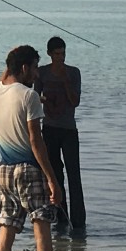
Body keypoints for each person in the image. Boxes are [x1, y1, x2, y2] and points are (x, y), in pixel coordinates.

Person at [0, 44, 63, 251]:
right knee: (42, 232)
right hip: (28, 170)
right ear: (23, 68)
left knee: (6, 233)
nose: (37, 73)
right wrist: (52, 179)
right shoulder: (29, 96)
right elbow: (36, 142)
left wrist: (10, 56)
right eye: (35, 68)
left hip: (5, 171)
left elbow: (4, 77)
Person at [33, 35, 85, 232]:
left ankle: (78, 221)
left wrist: (65, 82)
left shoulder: (73, 73)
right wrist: (44, 100)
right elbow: (35, 99)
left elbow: (75, 101)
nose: (61, 58)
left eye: (63, 54)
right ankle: (60, 216)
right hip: (49, 128)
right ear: (49, 54)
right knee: (54, 174)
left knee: (74, 175)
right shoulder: (42, 73)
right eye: (57, 54)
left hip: (69, 129)